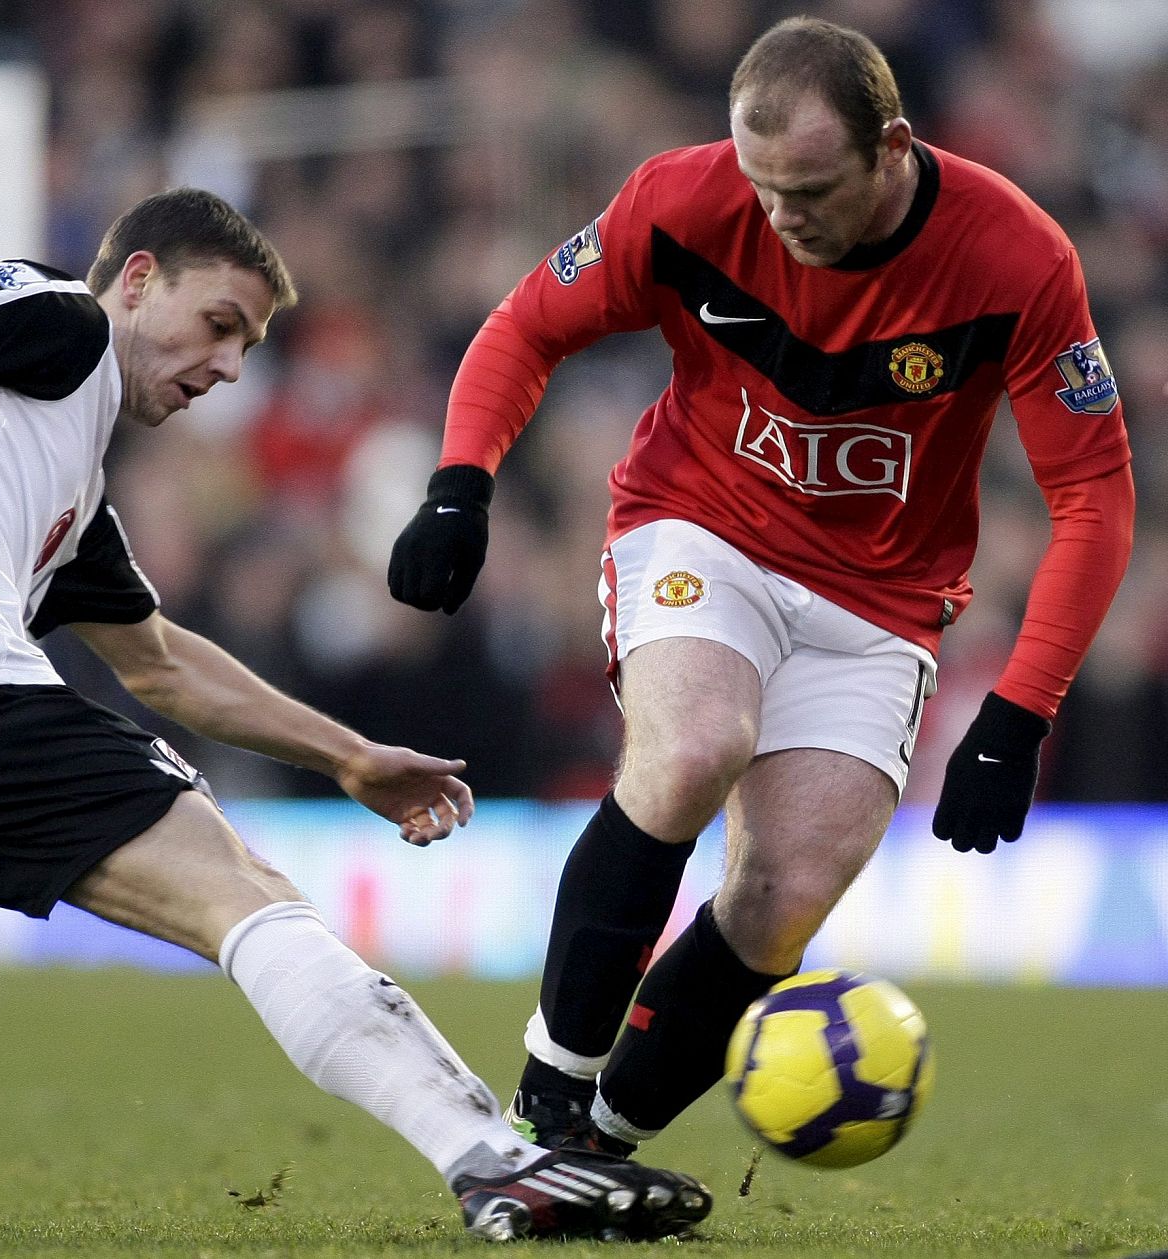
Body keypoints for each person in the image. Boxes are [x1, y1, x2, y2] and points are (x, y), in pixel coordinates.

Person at [0, 187, 711, 1243]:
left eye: (248, 344)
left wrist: (348, 755)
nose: (231, 366)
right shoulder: (64, 323)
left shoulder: (50, 480)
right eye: (219, 324)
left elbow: (159, 662)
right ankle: (492, 1159)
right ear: (141, 280)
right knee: (241, 888)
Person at [388, 18, 1134, 1157]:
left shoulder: (1016, 258)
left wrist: (1020, 709)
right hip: (703, 526)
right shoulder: (682, 201)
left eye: (813, 189)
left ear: (892, 147)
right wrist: (458, 485)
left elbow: (1093, 493)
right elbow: (523, 327)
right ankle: (547, 1094)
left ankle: (598, 1143)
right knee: (692, 747)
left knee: (787, 886)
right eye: (764, 184)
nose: (783, 215)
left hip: (883, 599)